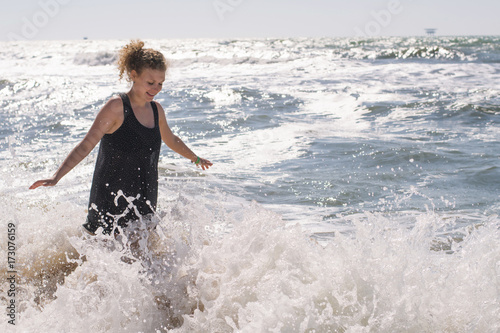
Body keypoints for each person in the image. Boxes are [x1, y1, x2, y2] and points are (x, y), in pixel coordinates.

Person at [30, 40, 212, 235]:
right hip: (111, 197)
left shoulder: (156, 110)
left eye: (160, 83)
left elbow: (171, 139)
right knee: (102, 254)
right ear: (134, 75)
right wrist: (56, 176)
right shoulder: (116, 107)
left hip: (144, 196)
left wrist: (195, 158)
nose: (156, 88)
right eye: (150, 83)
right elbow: (86, 145)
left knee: (142, 254)